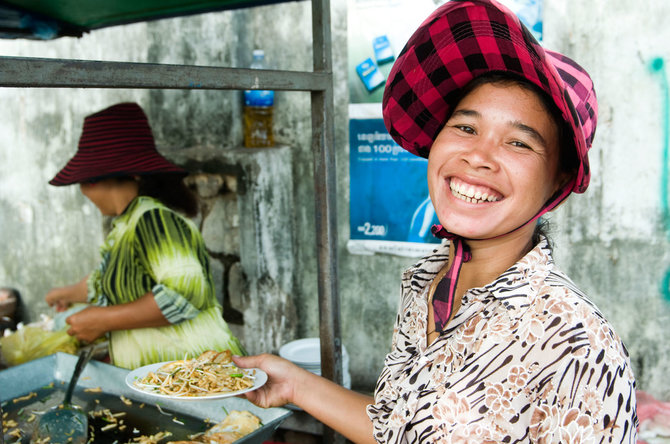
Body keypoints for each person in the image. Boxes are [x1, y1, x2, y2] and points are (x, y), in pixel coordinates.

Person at [233, 1, 638, 442]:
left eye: (519, 143)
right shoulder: (427, 284)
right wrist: (295, 384)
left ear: (558, 180)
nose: (477, 157)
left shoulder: (576, 343)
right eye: (465, 128)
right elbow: (399, 429)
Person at [45, 102, 245, 370]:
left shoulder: (154, 220)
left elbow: (182, 296)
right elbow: (109, 281)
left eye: (86, 180)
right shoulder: (128, 226)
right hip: (163, 383)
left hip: (198, 377)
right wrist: (66, 293)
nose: (83, 190)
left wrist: (103, 320)